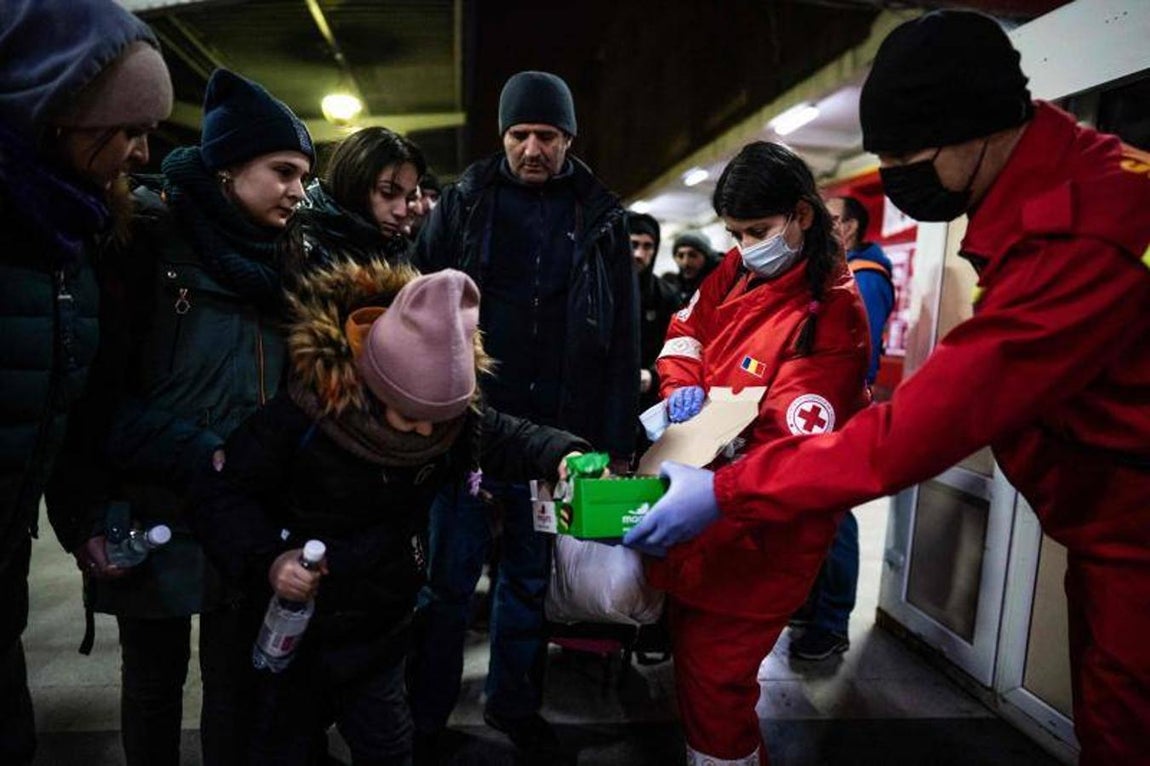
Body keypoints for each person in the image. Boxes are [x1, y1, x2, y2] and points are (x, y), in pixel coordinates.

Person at [624, 10, 1150, 765]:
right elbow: (689, 330)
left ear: (981, 128)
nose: (897, 177)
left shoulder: (1082, 231)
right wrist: (683, 387)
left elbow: (920, 426)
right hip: (1107, 528)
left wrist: (727, 491)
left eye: (908, 154)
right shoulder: (1070, 185)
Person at [190, 264, 590, 765]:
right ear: (375, 386)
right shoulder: (303, 417)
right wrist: (270, 559)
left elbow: (508, 437)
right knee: (288, 749)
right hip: (293, 635)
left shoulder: (449, 423)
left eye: (438, 421)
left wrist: (563, 455)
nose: (425, 434)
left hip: (381, 630)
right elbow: (224, 497)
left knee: (389, 749)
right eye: (410, 417)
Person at [48, 67, 314, 766]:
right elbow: (93, 396)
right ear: (229, 169)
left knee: (235, 681)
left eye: (303, 176)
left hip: (244, 506)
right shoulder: (144, 240)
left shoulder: (287, 261)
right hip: (152, 500)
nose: (297, 190)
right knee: (154, 680)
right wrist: (82, 514)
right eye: (282, 171)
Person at [409, 70, 638, 755]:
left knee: (530, 585)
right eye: (519, 134)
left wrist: (615, 442)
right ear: (501, 136)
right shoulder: (466, 202)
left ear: (569, 137)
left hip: (559, 442)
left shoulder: (600, 216)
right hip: (468, 432)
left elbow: (624, 335)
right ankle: (426, 716)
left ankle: (514, 706)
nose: (531, 148)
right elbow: (416, 306)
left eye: (546, 135)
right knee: (447, 583)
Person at [636, 141, 869, 763]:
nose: (746, 245)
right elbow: (686, 332)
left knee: (716, 681)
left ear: (802, 214)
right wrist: (683, 389)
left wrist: (720, 470)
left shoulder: (831, 315)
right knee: (696, 666)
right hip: (707, 505)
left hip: (762, 530)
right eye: (735, 233)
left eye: (759, 230)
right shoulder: (737, 271)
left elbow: (798, 456)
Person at [0, 1, 172, 762]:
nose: (140, 154)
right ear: (59, 116)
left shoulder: (68, 233)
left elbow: (59, 403)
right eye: (127, 131)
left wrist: (82, 516)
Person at [790, 194, 895, 662]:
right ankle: (812, 605)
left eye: (831, 219)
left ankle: (832, 623)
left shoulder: (867, 279)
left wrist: (827, 407)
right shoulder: (835, 269)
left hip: (837, 412)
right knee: (812, 512)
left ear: (850, 227)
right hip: (818, 409)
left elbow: (859, 353)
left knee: (836, 514)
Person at [283, 126, 425, 277]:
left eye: (409, 198)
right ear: (354, 183)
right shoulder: (300, 241)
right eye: (388, 193)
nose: (402, 211)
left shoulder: (398, 249)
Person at [628, 212, 679, 426]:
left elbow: (677, 347)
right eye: (633, 244)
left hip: (647, 400)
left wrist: (653, 375)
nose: (639, 254)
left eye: (647, 246)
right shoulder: (598, 290)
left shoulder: (666, 295)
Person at [662, 230, 721, 308]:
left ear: (706, 257)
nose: (686, 262)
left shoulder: (719, 285)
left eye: (693, 255)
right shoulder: (671, 287)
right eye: (680, 255)